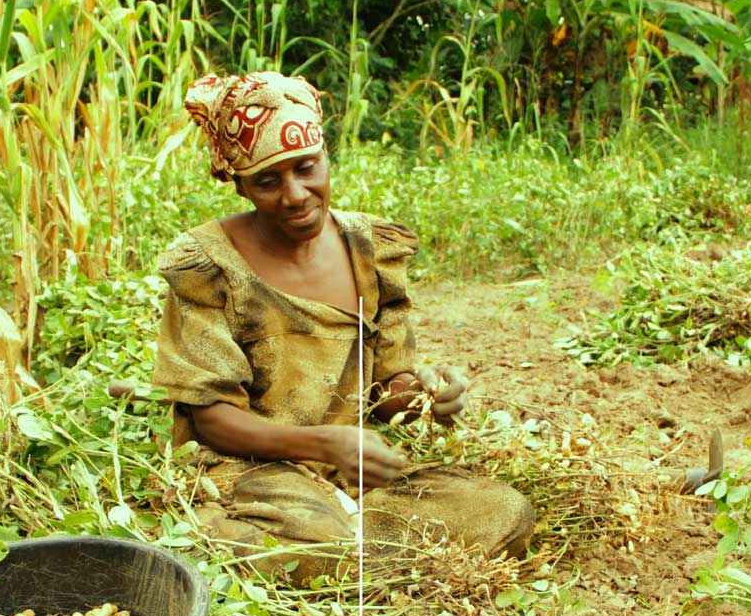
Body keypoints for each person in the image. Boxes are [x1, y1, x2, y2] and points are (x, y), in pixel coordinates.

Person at [152, 71, 534, 583]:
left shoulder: (370, 249)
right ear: (239, 183)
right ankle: (359, 553)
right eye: (268, 181)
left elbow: (387, 386)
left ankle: (353, 547)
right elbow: (211, 420)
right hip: (251, 470)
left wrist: (423, 394)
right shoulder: (209, 267)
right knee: (309, 547)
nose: (295, 194)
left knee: (502, 510)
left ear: (326, 156)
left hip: (351, 471)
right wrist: (325, 444)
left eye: (307, 168)